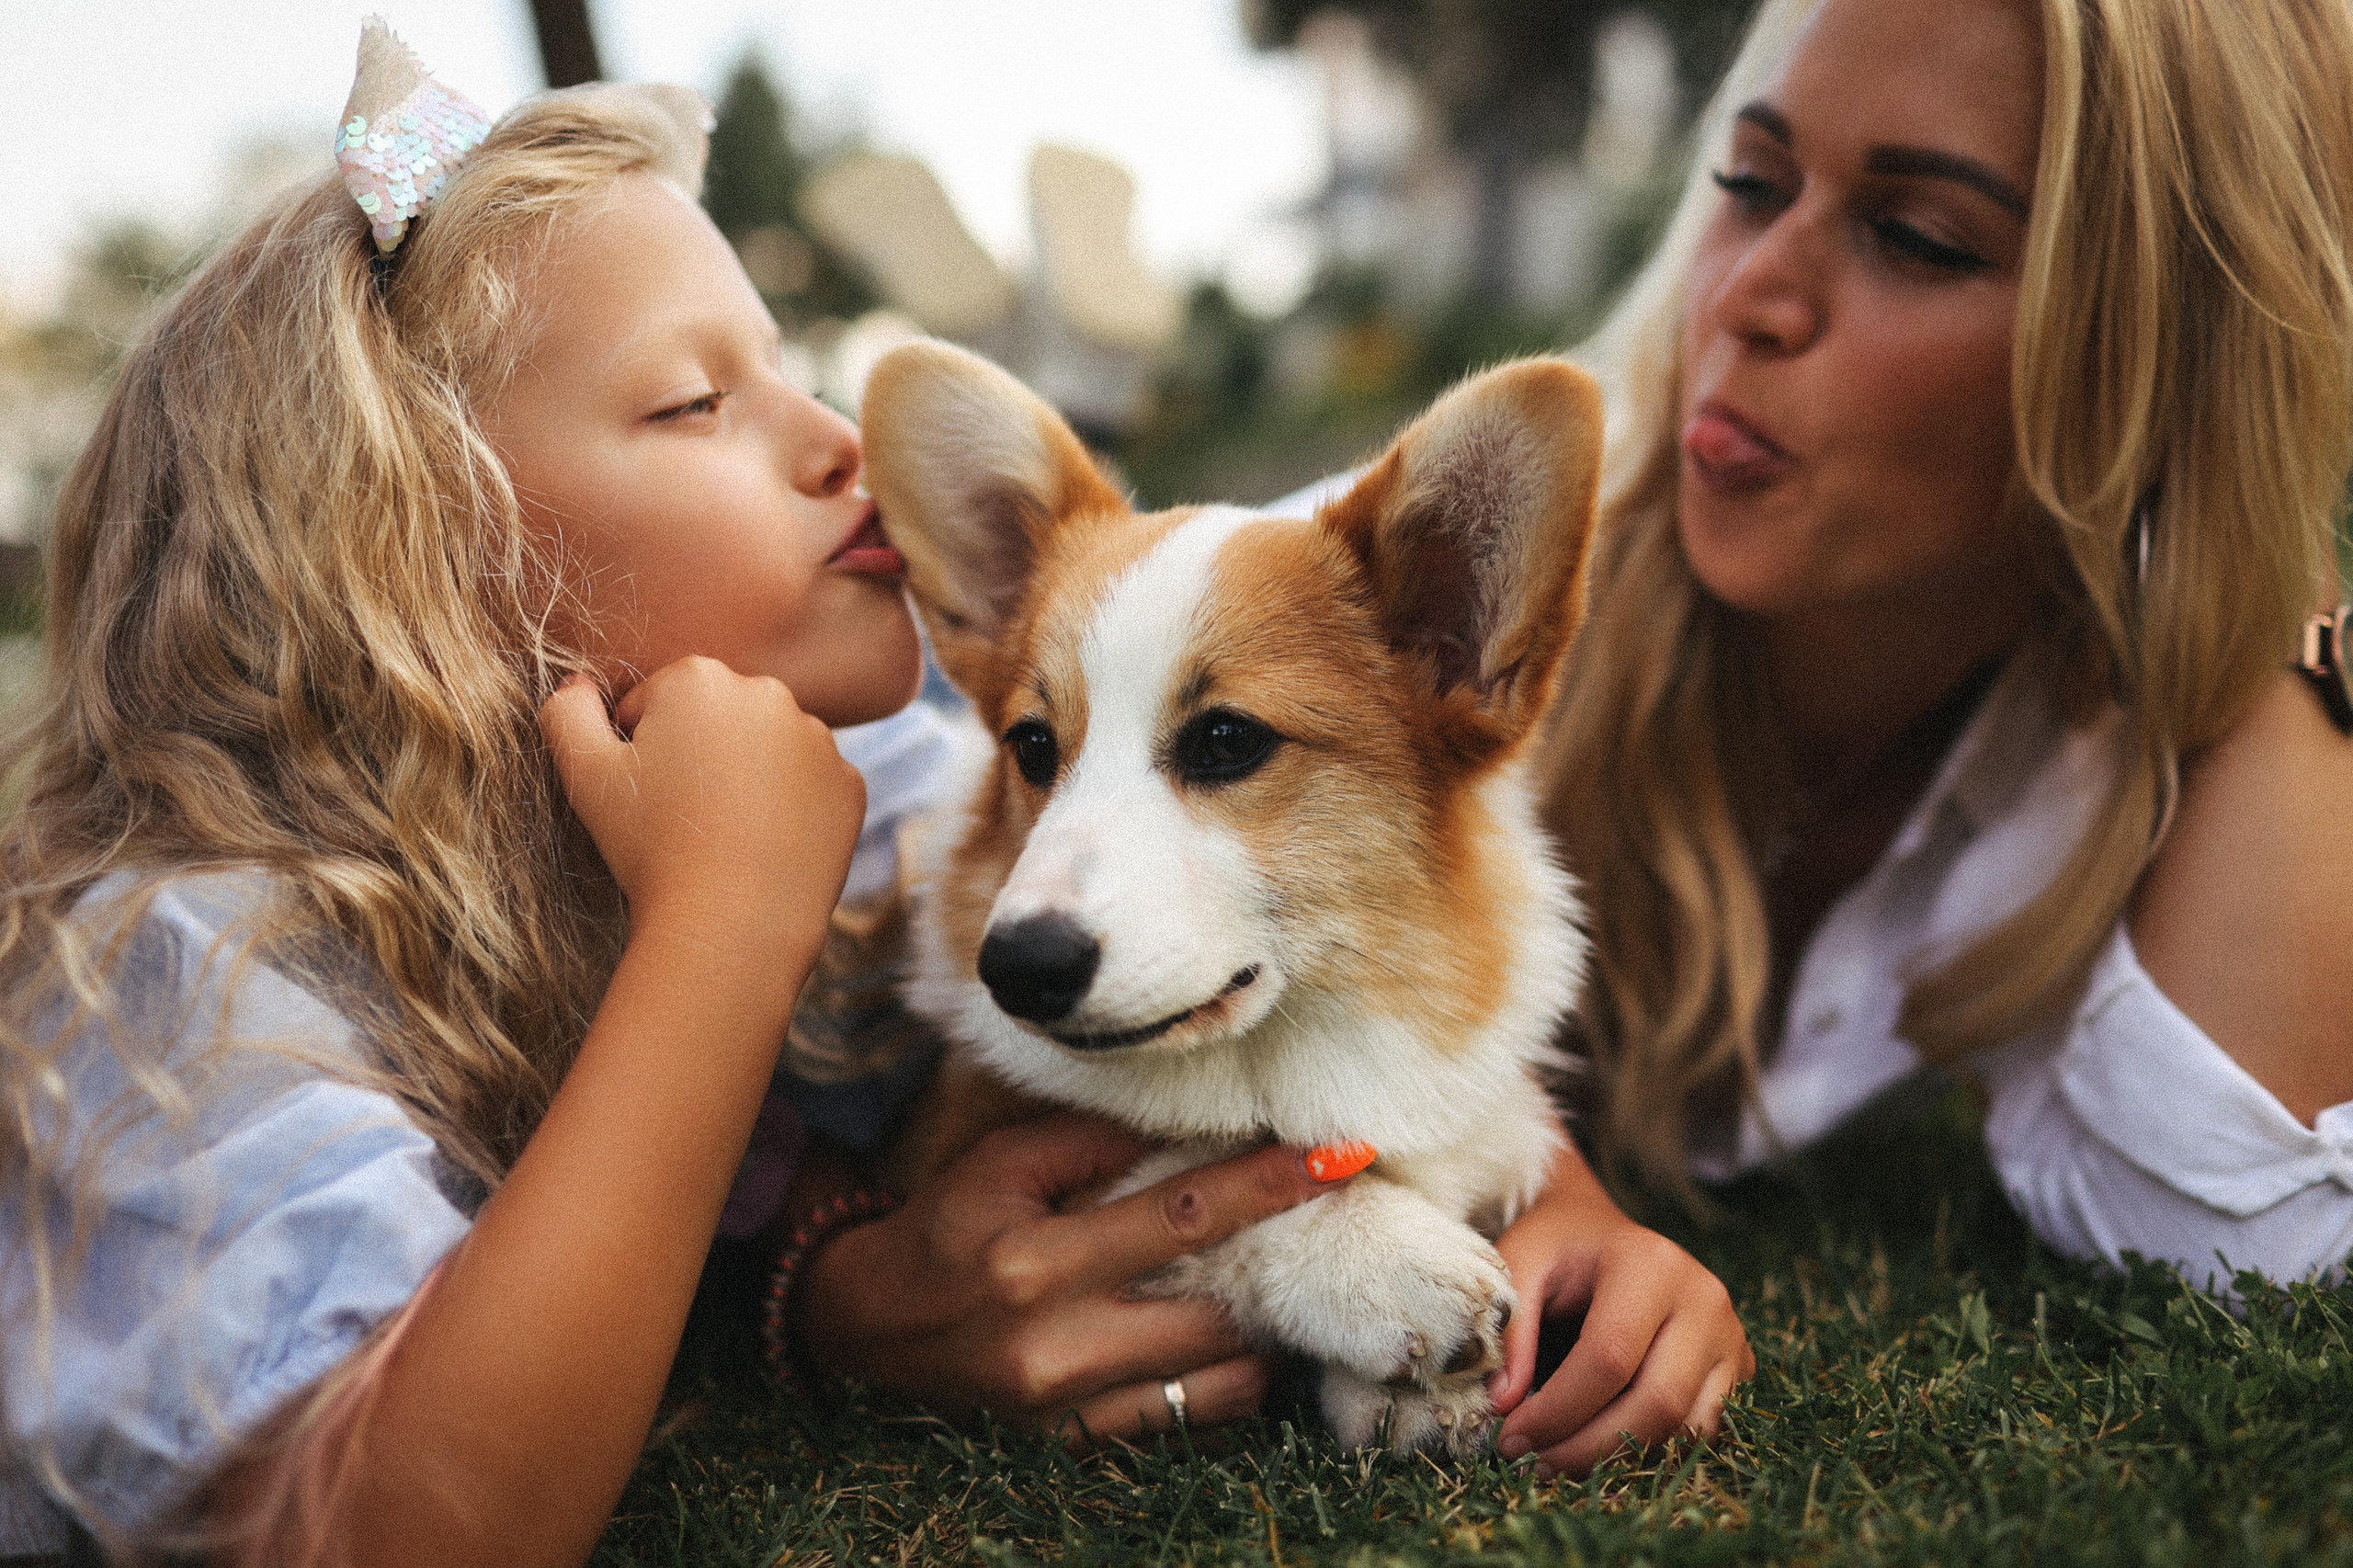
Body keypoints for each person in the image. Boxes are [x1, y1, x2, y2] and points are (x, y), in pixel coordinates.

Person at [788, 0, 2353, 1484]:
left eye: (1917, 236)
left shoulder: (2096, 763)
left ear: (2158, 352)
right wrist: (827, 1280)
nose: (1744, 292)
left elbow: (2253, 1233)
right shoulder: (1341, 581)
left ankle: (1089, 363)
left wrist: (2270, 594)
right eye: (1748, 183)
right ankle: (1083, 376)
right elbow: (889, 892)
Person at [0, 34, 1346, 1566]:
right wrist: (718, 931)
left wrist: (1552, 1191)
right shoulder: (184, 979)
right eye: (699, 400)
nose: (842, 439)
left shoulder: (888, 776)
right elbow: (386, 1529)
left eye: (785, 365)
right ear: (409, 565)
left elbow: (1349, 784)